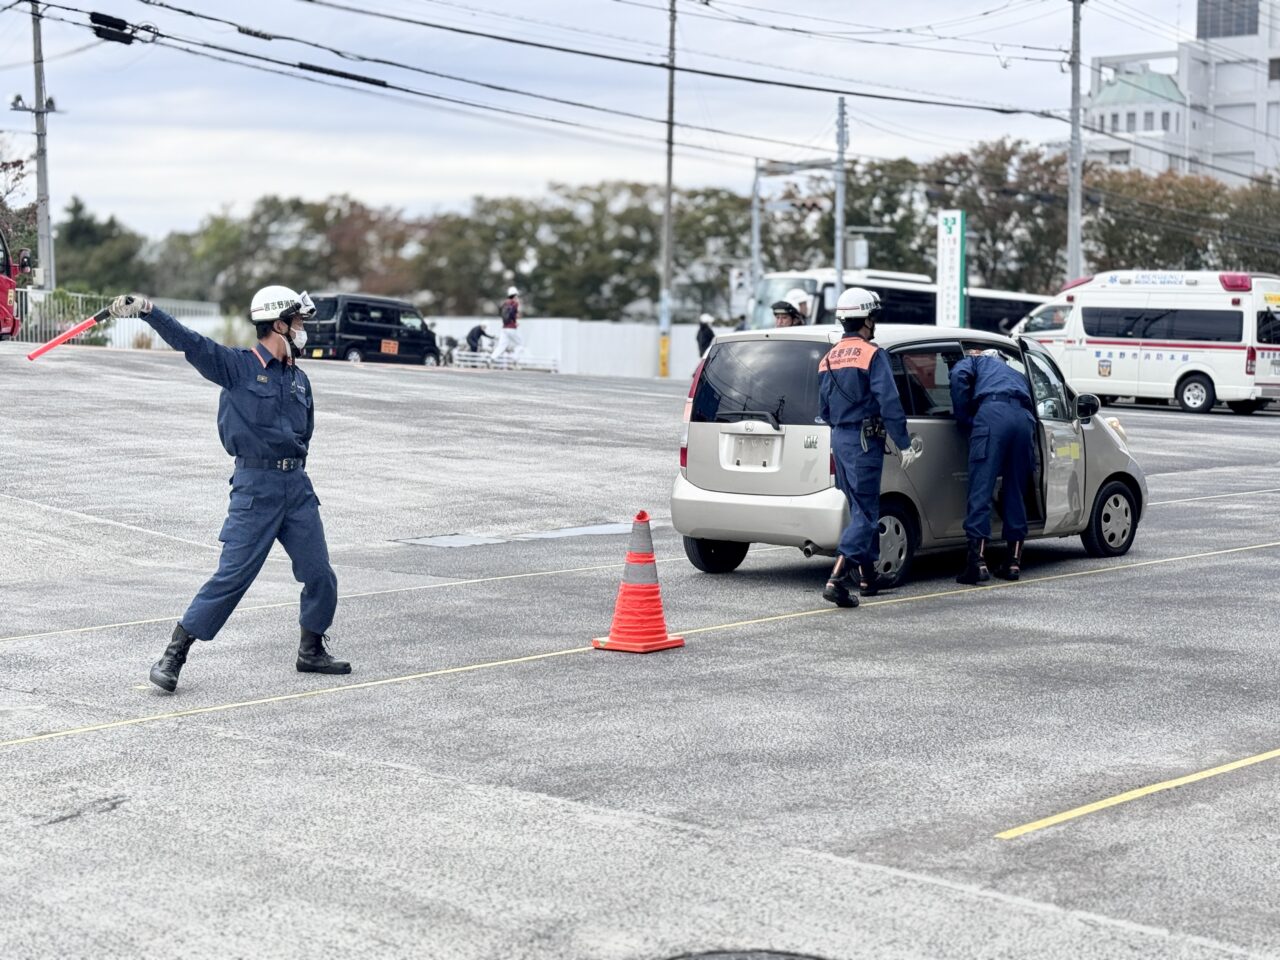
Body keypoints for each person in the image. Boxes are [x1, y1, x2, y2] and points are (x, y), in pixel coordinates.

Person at [109, 285, 350, 692]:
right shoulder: (235, 366)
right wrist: (149, 310)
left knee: (320, 574)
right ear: (279, 324)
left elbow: (305, 434)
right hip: (255, 489)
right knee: (232, 577)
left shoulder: (300, 380)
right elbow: (190, 342)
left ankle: (311, 650)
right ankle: (174, 654)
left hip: (296, 486)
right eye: (298, 320)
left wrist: (292, 472)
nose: (303, 327)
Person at [818, 287, 922, 608]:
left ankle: (867, 577)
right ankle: (836, 579)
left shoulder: (829, 357)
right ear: (866, 319)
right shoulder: (872, 355)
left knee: (858, 508)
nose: (874, 323)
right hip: (864, 442)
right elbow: (889, 402)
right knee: (866, 513)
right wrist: (903, 443)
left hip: (840, 440)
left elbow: (823, 409)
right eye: (873, 317)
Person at [949, 347, 1037, 584]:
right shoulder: (1016, 373)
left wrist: (965, 418)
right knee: (1016, 491)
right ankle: (1013, 563)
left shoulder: (977, 362)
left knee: (981, 489)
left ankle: (976, 563)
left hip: (993, 416)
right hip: (1024, 420)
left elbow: (958, 375)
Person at [493, 285, 523, 361]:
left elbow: (501, 314)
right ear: (515, 294)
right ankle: (514, 358)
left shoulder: (504, 303)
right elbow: (513, 314)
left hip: (504, 328)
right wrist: (515, 322)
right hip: (511, 328)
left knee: (502, 345)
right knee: (520, 344)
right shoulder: (515, 303)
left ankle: (492, 358)